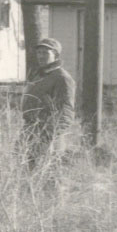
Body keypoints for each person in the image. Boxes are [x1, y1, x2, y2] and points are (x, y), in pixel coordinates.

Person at [20, 36, 75, 170]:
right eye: (39, 52)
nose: (41, 56)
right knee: (26, 175)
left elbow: (66, 113)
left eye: (45, 52)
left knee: (49, 177)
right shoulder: (39, 76)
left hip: (48, 136)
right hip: (30, 131)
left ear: (55, 55)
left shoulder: (62, 78)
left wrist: (47, 137)